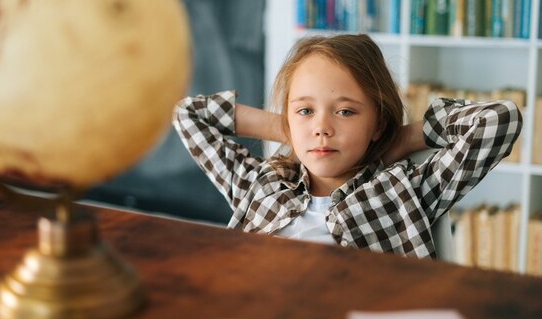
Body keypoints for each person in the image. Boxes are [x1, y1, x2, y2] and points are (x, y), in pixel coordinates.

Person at [172, 34, 522, 258]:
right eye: (306, 110)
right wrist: (287, 129)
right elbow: (188, 115)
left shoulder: (406, 191)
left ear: (377, 122)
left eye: (345, 111)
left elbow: (499, 119)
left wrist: (401, 138)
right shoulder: (258, 185)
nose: (322, 128)